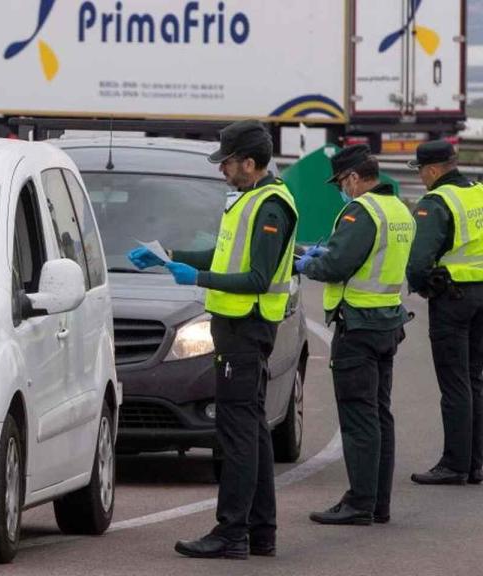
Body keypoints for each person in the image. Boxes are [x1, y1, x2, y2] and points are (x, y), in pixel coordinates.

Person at [129, 120, 298, 559]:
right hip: (238, 330)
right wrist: (170, 258)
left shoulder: (270, 207)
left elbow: (258, 277)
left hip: (246, 330)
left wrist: (197, 278)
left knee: (237, 435)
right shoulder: (249, 200)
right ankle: (260, 533)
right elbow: (226, 255)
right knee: (252, 433)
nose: (221, 170)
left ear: (249, 162)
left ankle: (231, 533)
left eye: (226, 162)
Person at [296, 145, 413, 525]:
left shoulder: (360, 211)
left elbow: (337, 265)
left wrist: (308, 264)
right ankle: (378, 502)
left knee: (359, 417)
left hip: (358, 326)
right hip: (386, 322)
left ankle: (359, 502)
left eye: (341, 184)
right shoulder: (399, 210)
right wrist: (325, 254)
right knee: (379, 414)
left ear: (352, 178)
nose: (341, 191)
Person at [405, 140, 483, 486]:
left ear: (434, 170)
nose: (421, 178)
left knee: (454, 384)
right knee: (474, 379)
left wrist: (423, 286)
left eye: (421, 171)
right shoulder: (479, 192)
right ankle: (476, 463)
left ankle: (454, 464)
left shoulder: (436, 203)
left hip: (453, 298)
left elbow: (419, 261)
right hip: (482, 296)